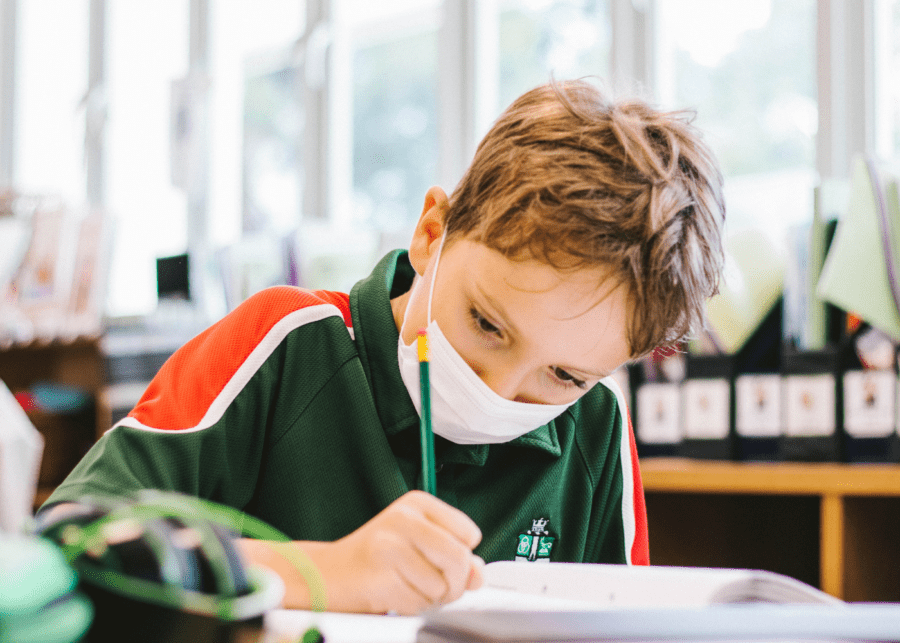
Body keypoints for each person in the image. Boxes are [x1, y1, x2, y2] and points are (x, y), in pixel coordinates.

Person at [40, 79, 725, 616]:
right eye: (487, 323)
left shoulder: (596, 429)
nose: (497, 387)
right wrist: (328, 573)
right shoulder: (285, 344)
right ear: (433, 231)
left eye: (564, 374)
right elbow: (61, 551)